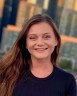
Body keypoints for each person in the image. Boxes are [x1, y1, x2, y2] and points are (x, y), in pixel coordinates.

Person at [0, 14, 76, 96]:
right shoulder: (7, 73)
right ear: (25, 43)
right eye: (33, 38)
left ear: (56, 40)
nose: (40, 43)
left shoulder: (67, 81)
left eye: (46, 37)